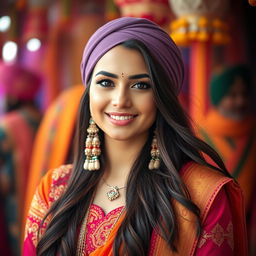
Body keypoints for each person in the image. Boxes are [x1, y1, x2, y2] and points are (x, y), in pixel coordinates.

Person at [23, 17, 247, 255]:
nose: (120, 100)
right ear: (89, 93)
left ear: (163, 98)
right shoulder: (55, 189)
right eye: (106, 82)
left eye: (140, 86)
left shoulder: (201, 198)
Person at [198, 65, 255, 255]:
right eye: (232, 95)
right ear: (218, 98)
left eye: (244, 94)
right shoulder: (199, 135)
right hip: (210, 228)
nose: (240, 101)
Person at [0, 62, 42, 255]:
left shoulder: (6, 126)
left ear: (11, 94)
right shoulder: (47, 118)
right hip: (46, 203)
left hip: (15, 207)